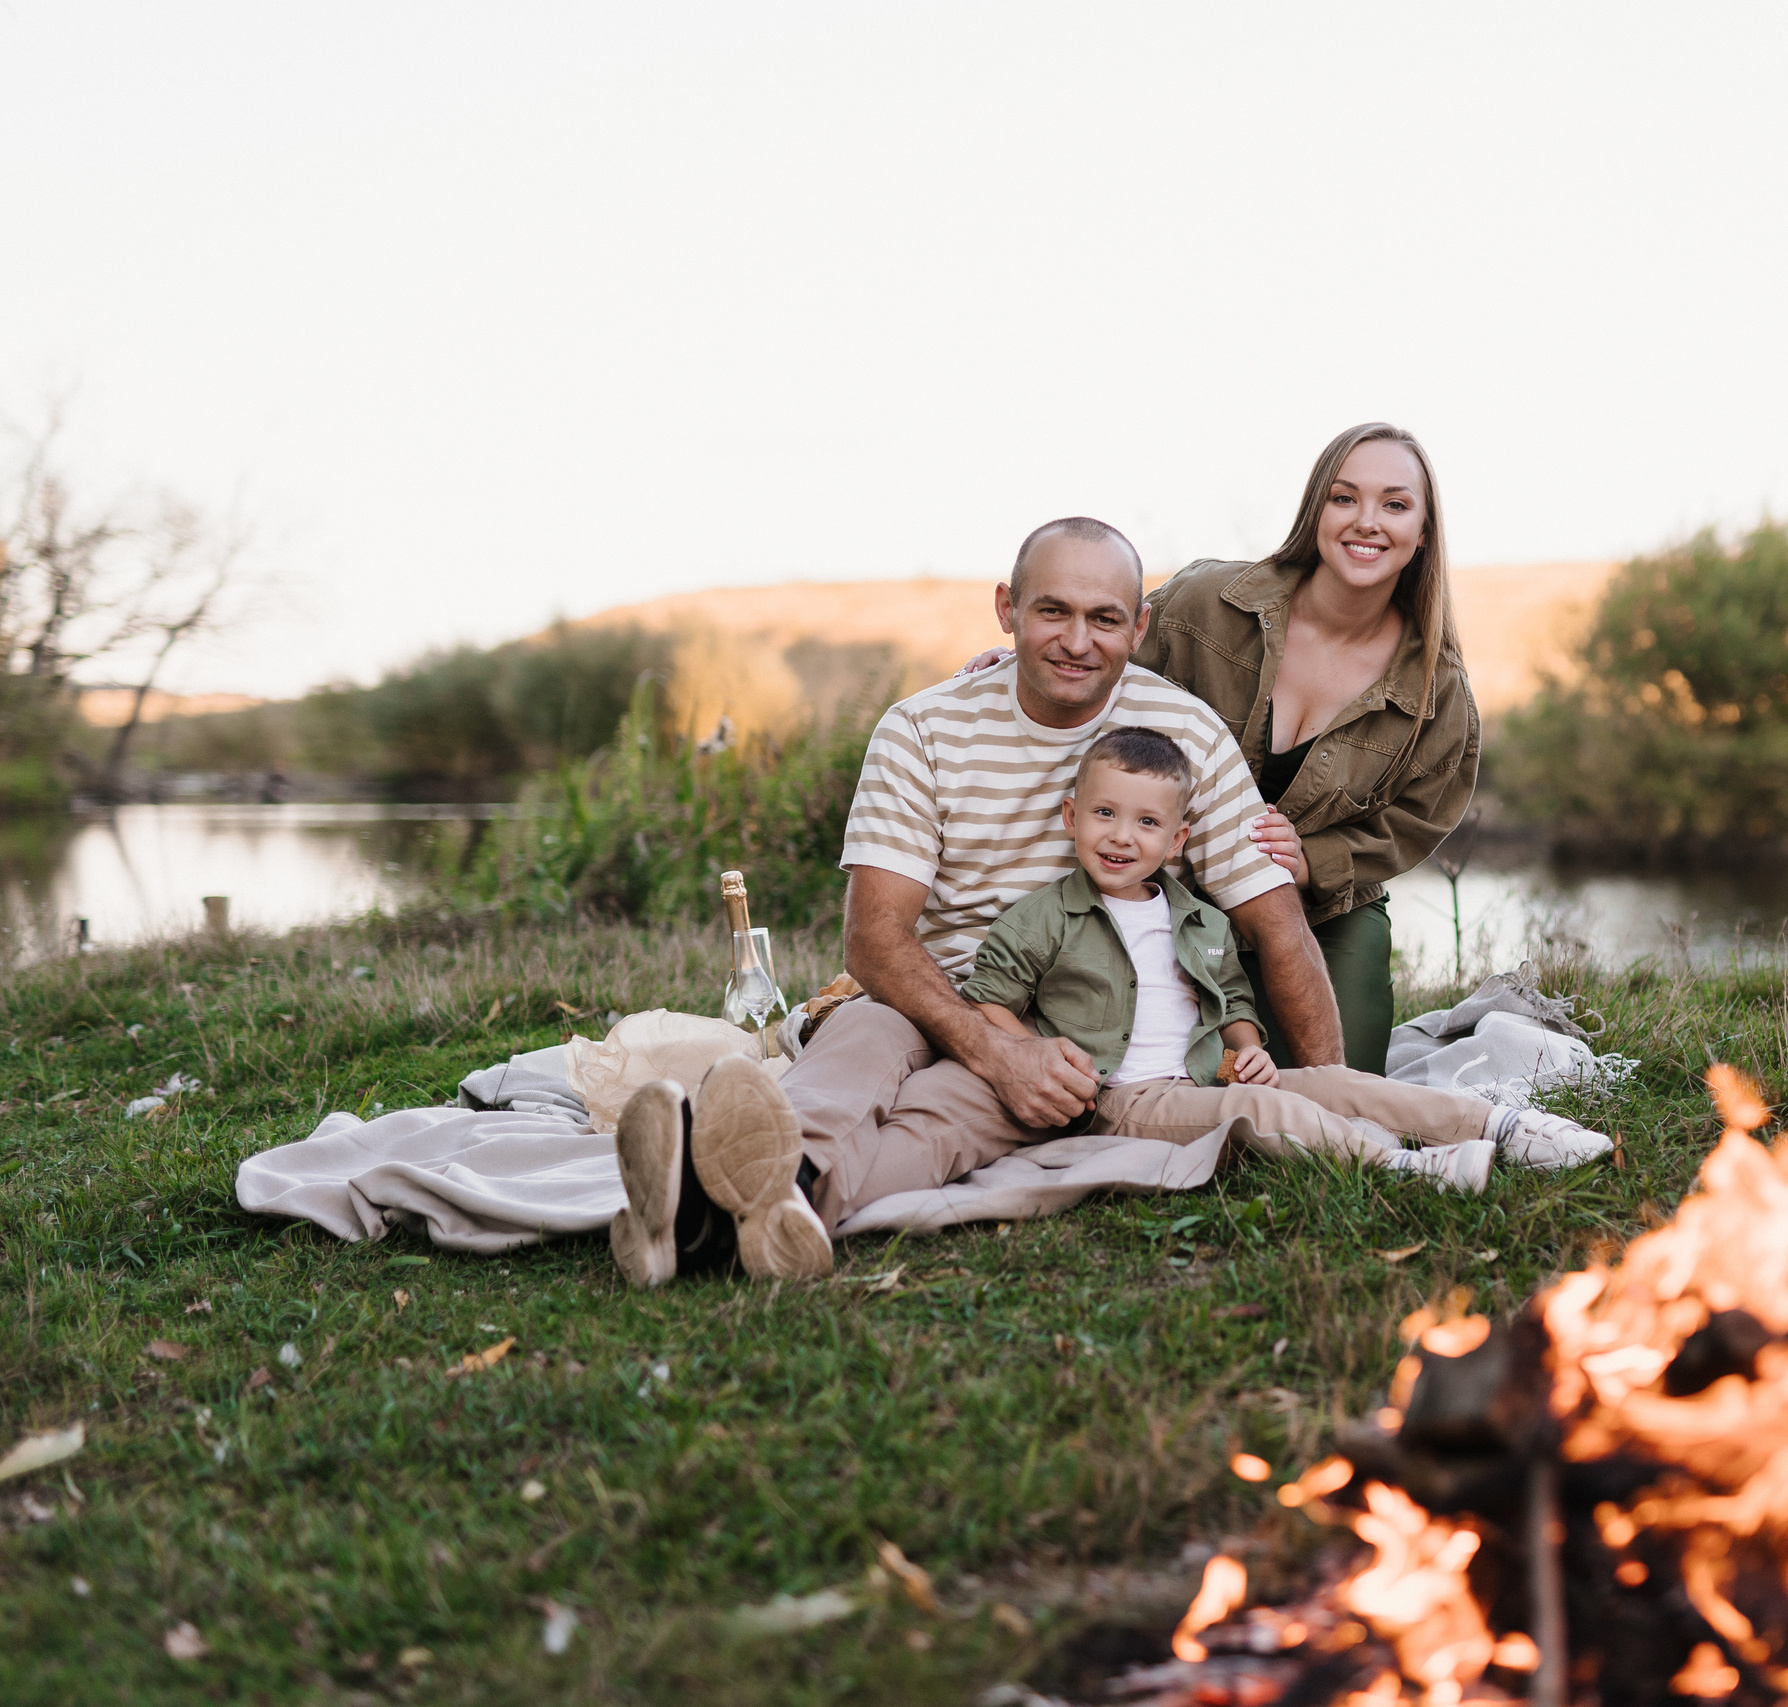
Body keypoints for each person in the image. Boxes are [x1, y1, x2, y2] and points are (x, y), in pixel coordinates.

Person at [607, 516, 1342, 1287]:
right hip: (925, 991)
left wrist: (1332, 1101)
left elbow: (1278, 926)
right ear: (1007, 609)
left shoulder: (1185, 734)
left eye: (1104, 618)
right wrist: (997, 1052)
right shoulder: (923, 727)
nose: (1077, 641)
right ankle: (747, 1200)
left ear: (1139, 626)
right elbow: (875, 938)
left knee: (935, 1117)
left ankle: (707, 1215)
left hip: (1068, 1033)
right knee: (860, 1040)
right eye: (1052, 611)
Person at [959, 727, 1613, 1190]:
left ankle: (1505, 1126)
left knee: (1339, 1083)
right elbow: (987, 997)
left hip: (1209, 1076)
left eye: (1147, 823)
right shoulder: (1043, 917)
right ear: (1071, 816)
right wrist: (1036, 1058)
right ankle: (1401, 1167)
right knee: (1260, 1112)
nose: (1122, 837)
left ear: (1177, 838)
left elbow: (1231, 999)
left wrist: (1248, 1048)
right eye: (1104, 813)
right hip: (1123, 1099)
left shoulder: (1197, 919)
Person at [1133, 422, 1476, 1075]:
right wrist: (1017, 668)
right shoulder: (1205, 604)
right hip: (1173, 891)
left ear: (1423, 531)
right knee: (1179, 1074)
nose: (1367, 521)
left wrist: (1316, 861)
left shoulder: (1436, 687)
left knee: (1335, 1087)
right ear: (1316, 508)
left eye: (1395, 504)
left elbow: (1420, 816)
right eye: (1344, 498)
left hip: (1325, 915)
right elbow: (1104, 661)